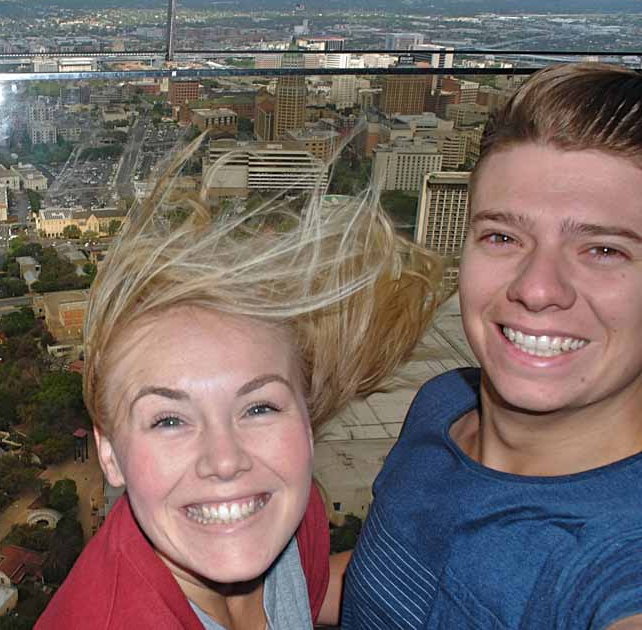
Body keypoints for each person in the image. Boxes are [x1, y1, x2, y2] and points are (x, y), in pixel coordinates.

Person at [36, 137, 442, 629]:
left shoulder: (288, 516)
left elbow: (306, 592)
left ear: (307, 419)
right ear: (109, 455)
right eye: (168, 420)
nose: (227, 461)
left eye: (259, 408)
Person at [338, 63, 642, 629]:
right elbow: (397, 579)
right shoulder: (443, 405)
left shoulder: (615, 562)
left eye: (604, 250)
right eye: (502, 237)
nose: (536, 288)